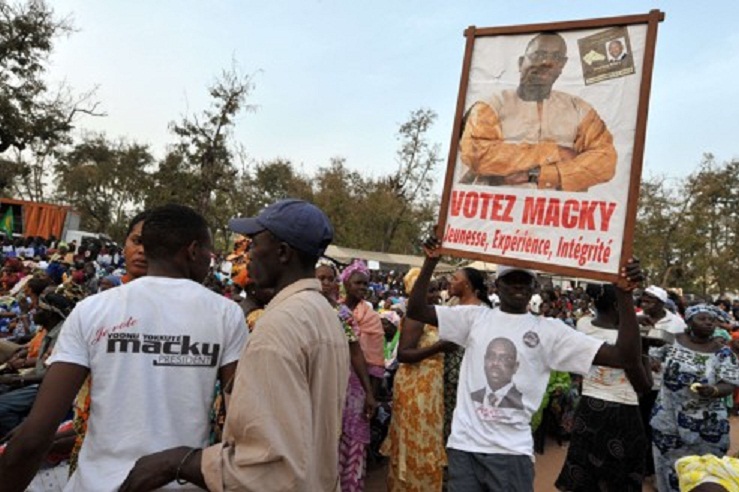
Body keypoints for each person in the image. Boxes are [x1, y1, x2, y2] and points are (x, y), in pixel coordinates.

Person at [0, 204, 248, 492]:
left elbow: (34, 436)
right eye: (209, 252)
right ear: (192, 250)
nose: (210, 259)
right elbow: (239, 421)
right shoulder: (225, 315)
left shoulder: (92, 310)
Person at [118, 198, 350, 492]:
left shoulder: (279, 326)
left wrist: (176, 462)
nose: (247, 255)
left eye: (254, 244)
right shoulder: (322, 315)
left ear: (282, 253)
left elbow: (267, 468)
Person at [406, 236, 643, 491]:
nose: (517, 285)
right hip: (465, 448)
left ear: (534, 286)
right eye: (510, 279)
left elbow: (625, 358)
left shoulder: (551, 332)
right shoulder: (475, 318)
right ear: (497, 285)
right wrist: (430, 261)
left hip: (511, 453)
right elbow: (417, 310)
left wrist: (625, 295)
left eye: (524, 280)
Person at [458, 32, 617, 191]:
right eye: (539, 54)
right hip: (495, 209)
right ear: (521, 63)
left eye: (555, 57)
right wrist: (556, 152)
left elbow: (605, 161)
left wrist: (537, 174)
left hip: (558, 212)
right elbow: (478, 154)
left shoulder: (579, 109)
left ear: (562, 66)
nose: (546, 62)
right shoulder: (490, 106)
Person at [555, 283, 653, 491]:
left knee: (585, 471)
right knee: (619, 475)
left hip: (589, 407)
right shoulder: (629, 340)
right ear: (620, 305)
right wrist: (644, 351)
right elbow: (643, 384)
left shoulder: (583, 324)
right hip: (623, 411)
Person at [649, 304, 739, 492]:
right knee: (668, 470)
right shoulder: (671, 342)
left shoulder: (723, 352)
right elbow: (650, 358)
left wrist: (713, 390)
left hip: (706, 426)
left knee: (705, 474)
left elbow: (730, 383)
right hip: (668, 419)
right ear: (689, 322)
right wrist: (654, 362)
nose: (708, 323)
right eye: (702, 319)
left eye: (712, 320)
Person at [381, 268, 451, 491]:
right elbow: (403, 354)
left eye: (434, 290)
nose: (433, 295)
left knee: (427, 439)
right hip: (416, 386)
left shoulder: (430, 314)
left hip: (429, 385)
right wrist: (439, 347)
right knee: (417, 441)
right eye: (427, 291)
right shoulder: (415, 317)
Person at [315, 259, 376, 492]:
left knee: (346, 443)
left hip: (345, 388)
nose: (327, 283)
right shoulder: (301, 310)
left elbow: (356, 352)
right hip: (316, 385)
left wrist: (368, 391)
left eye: (331, 278)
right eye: (321, 278)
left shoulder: (341, 314)